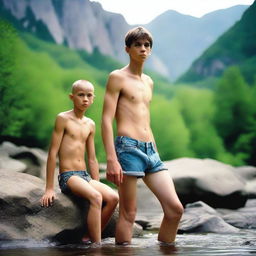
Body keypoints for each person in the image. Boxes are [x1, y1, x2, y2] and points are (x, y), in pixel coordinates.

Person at [101, 26, 184, 245]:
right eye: (138, 45)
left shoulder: (149, 82)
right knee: (129, 214)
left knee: (175, 209)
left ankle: (166, 250)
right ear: (127, 49)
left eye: (147, 45)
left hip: (151, 151)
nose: (143, 49)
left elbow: (145, 119)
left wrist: (155, 150)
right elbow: (106, 120)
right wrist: (111, 158)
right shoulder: (117, 77)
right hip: (128, 149)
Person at [41, 79, 119, 244]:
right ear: (72, 97)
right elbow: (52, 153)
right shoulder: (63, 119)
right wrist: (49, 188)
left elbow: (92, 158)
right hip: (69, 176)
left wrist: (96, 182)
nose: (85, 99)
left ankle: (89, 236)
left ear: (93, 99)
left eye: (88, 95)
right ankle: (97, 247)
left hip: (84, 176)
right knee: (96, 197)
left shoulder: (90, 124)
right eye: (80, 95)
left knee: (112, 197)